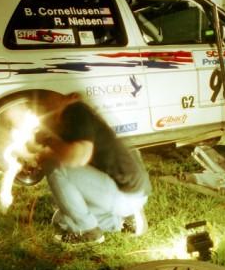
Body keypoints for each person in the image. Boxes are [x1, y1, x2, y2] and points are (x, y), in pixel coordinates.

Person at [28, 92, 151, 244]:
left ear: (65, 98)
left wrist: (48, 143)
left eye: (45, 100)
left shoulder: (76, 112)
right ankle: (123, 220)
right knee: (62, 220)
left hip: (126, 192)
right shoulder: (62, 121)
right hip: (125, 190)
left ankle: (89, 231)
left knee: (55, 166)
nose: (42, 106)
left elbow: (77, 157)